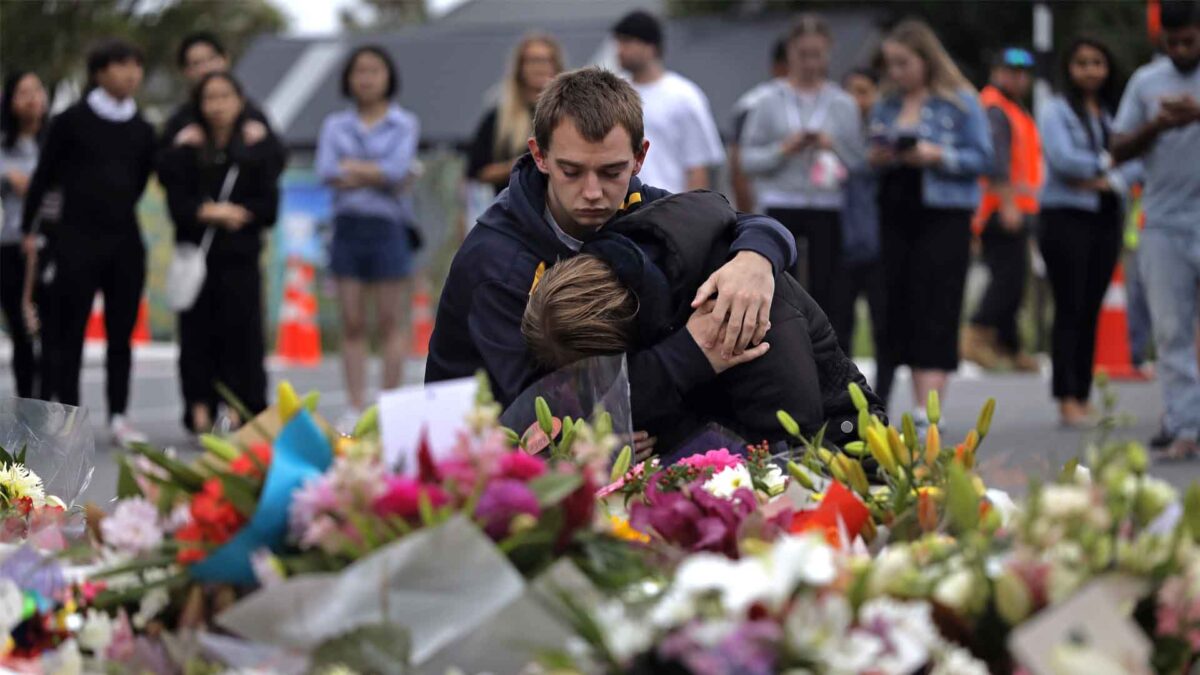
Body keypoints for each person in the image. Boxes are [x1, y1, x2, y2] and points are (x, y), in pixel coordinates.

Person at [426, 67, 796, 451]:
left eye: (611, 172)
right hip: (483, 450)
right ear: (540, 156)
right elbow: (540, 421)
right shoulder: (497, 262)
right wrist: (693, 354)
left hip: (615, 417)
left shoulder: (641, 204)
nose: (592, 193)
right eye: (571, 171)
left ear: (639, 158)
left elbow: (734, 223)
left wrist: (755, 261)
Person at [522, 190, 884, 452]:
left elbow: (788, 444)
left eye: (613, 370)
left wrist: (666, 435)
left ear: (628, 338)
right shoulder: (636, 264)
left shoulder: (737, 307)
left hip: (841, 451)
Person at [21, 39, 156, 447]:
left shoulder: (144, 128)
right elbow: (43, 177)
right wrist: (32, 230)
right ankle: (70, 416)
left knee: (121, 331)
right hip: (75, 238)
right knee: (68, 330)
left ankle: (119, 414)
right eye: (120, 65)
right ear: (99, 72)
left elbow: (139, 182)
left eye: (136, 65)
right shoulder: (70, 120)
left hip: (124, 240)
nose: (130, 73)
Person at [868, 19, 993, 425]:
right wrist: (883, 155)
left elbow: (985, 158)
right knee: (896, 305)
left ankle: (926, 410)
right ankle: (898, 400)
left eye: (903, 63)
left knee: (937, 304)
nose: (896, 73)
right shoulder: (885, 103)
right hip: (894, 210)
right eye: (891, 65)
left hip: (943, 213)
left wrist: (937, 155)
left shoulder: (960, 101)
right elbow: (867, 153)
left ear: (925, 60)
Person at [158, 72, 286, 434]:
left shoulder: (255, 146)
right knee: (196, 339)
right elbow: (177, 204)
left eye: (225, 96)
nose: (217, 105)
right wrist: (218, 212)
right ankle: (199, 412)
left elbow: (268, 208)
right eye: (209, 98)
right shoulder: (187, 146)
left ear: (240, 100)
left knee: (243, 340)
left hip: (240, 261)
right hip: (197, 261)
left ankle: (240, 413)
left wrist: (220, 211)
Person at [1111, 0, 1200, 458]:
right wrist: (1157, 125)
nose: (1182, 49)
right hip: (1163, 222)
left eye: (1190, 40)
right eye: (1173, 42)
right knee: (1171, 331)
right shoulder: (1146, 83)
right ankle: (1186, 427)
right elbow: (1118, 147)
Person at [316, 45, 421, 427]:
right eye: (359, 71)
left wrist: (356, 171)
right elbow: (326, 169)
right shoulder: (334, 125)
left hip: (389, 226)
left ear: (388, 76)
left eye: (375, 70)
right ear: (348, 78)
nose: (366, 78)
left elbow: (396, 171)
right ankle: (355, 405)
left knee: (391, 320)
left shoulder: (404, 122)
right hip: (346, 227)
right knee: (352, 320)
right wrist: (377, 173)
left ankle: (389, 404)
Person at [1037, 37, 1135, 427]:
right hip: (1066, 218)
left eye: (1098, 62)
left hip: (1106, 217)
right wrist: (1108, 168)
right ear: (1070, 67)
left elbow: (1137, 162)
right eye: (1082, 63)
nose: (1091, 70)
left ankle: (1083, 392)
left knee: (1092, 306)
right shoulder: (1056, 110)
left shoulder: (1114, 113)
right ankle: (1065, 394)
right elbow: (1064, 160)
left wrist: (1104, 178)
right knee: (1070, 305)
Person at [739, 15, 865, 315]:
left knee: (828, 290)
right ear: (790, 53)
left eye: (817, 55)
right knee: (781, 290)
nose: (810, 63)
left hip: (828, 204)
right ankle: (786, 353)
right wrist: (784, 149)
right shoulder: (767, 99)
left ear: (828, 53)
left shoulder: (843, 103)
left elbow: (861, 163)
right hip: (780, 202)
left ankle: (829, 355)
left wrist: (832, 145)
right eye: (803, 54)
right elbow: (747, 160)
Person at [962, 47, 1043, 372]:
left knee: (1015, 277)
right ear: (996, 72)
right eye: (1011, 71)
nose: (1019, 78)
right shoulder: (996, 109)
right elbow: (997, 162)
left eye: (1023, 73)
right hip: (999, 208)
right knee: (1007, 279)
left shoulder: (1012, 108)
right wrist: (1008, 203)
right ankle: (976, 333)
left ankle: (1009, 345)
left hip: (1013, 207)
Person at [612, 10, 725, 193]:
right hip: (624, 207)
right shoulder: (615, 92)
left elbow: (698, 166)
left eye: (626, 42)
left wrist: (690, 214)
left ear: (650, 46)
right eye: (618, 42)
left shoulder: (684, 95)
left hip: (668, 206)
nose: (619, 50)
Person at [832, 66, 893, 402]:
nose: (857, 100)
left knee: (884, 327)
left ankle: (882, 397)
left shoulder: (886, 136)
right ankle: (845, 400)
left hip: (880, 246)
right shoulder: (832, 137)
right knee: (840, 329)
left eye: (865, 91)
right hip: (842, 245)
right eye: (850, 91)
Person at [466, 33, 565, 193]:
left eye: (546, 60)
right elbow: (477, 172)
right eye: (533, 61)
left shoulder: (569, 114)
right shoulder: (499, 118)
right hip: (512, 208)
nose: (540, 67)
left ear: (556, 65)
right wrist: (520, 165)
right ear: (520, 67)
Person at [0, 71, 48, 399]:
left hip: (51, 245)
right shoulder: (4, 146)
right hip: (10, 244)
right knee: (21, 328)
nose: (31, 98)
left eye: (36, 90)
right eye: (22, 92)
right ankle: (26, 404)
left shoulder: (57, 140)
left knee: (52, 331)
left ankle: (51, 403)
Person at [160, 32, 271, 152]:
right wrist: (180, 144)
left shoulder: (252, 114)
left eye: (211, 58)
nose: (206, 68)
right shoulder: (180, 120)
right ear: (186, 71)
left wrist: (263, 142)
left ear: (225, 59)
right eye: (196, 63)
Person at [730, 38, 789, 213]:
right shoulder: (753, 103)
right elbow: (738, 165)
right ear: (778, 67)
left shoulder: (828, 99)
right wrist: (747, 217)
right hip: (768, 206)